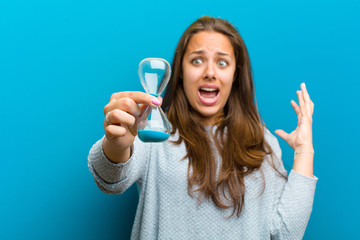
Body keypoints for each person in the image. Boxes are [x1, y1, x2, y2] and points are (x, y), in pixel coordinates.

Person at [88, 16, 317, 239]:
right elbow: (110, 180)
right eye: (197, 60)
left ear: (236, 74)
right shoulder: (154, 133)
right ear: (180, 73)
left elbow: (285, 234)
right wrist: (115, 145)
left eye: (222, 62)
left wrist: (304, 152)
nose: (209, 72)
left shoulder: (263, 143)